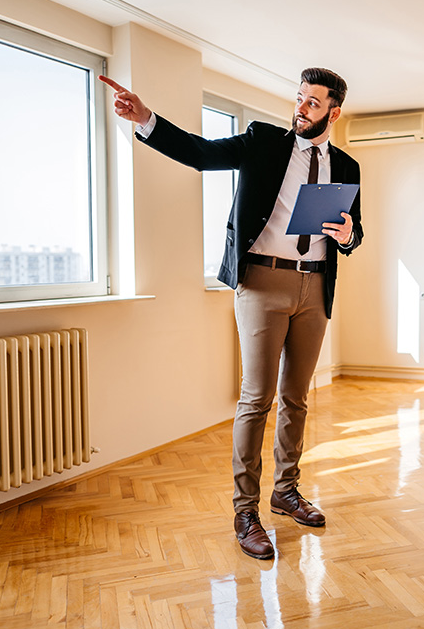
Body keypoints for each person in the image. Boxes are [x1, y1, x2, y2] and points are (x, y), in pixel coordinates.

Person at [100, 68, 363, 560]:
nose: (302, 107)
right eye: (299, 98)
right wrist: (146, 119)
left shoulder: (346, 165)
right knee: (255, 398)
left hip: (315, 287)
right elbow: (201, 154)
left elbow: (355, 233)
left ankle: (286, 492)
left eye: (313, 102)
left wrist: (347, 234)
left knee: (297, 397)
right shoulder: (263, 142)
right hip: (262, 281)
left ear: (334, 111)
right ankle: (246, 510)